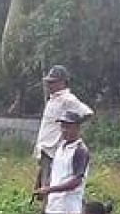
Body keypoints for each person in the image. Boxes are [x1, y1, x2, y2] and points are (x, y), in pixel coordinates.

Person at [34, 66, 93, 198]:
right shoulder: (53, 99)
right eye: (49, 82)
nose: (49, 85)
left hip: (54, 149)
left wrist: (69, 128)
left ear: (62, 82)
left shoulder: (68, 99)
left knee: (50, 189)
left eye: (53, 82)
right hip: (46, 149)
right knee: (43, 188)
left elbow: (87, 112)